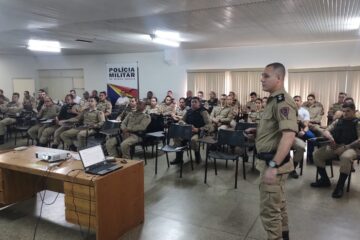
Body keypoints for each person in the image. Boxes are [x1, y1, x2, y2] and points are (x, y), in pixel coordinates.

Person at [246, 62, 297, 240]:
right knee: (279, 206)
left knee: (269, 213)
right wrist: (258, 133)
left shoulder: (283, 102)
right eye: (262, 75)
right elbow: (275, 130)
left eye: (266, 76)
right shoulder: (273, 100)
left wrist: (273, 166)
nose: (262, 79)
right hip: (270, 162)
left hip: (273, 164)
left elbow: (289, 136)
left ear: (279, 78)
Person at [310, 102, 359, 198]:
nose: (345, 113)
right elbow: (326, 130)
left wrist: (346, 147)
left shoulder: (357, 122)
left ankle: (339, 187)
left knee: (345, 157)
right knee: (317, 154)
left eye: (348, 111)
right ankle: (324, 180)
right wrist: (331, 138)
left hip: (351, 147)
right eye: (344, 111)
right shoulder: (338, 121)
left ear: (354, 111)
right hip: (336, 146)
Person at [172, 97, 213, 164]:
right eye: (192, 102)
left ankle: (197, 156)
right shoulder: (189, 111)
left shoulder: (203, 112)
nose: (193, 103)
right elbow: (181, 120)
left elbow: (209, 125)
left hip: (199, 132)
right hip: (188, 131)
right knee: (177, 138)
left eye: (195, 102)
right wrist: (186, 125)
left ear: (199, 103)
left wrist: (198, 129)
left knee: (193, 140)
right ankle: (179, 158)